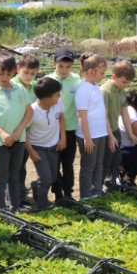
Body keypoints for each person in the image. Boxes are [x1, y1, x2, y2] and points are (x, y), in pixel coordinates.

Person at [0, 52, 33, 211]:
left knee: (15, 175)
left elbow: (29, 112)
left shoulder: (20, 89)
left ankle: (14, 207)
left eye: (9, 73)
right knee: (1, 176)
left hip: (19, 139)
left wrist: (19, 131)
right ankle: (1, 210)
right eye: (1, 73)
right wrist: (2, 134)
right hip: (1, 142)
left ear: (15, 71)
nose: (4, 76)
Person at [25, 77, 66, 209]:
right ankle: (42, 205)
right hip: (38, 148)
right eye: (57, 95)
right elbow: (23, 132)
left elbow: (60, 117)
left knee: (53, 177)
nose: (59, 97)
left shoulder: (57, 103)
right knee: (47, 179)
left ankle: (36, 187)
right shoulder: (32, 112)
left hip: (54, 147)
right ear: (47, 100)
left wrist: (63, 138)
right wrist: (31, 151)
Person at [46, 48, 81, 200]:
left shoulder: (76, 80)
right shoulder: (47, 81)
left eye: (68, 66)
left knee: (68, 163)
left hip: (70, 129)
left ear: (72, 65)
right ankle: (58, 192)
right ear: (54, 64)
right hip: (52, 130)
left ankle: (68, 193)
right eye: (61, 66)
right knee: (54, 163)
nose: (64, 70)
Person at [76, 53, 108, 199]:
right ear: (91, 72)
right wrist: (87, 138)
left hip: (100, 133)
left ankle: (97, 192)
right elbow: (82, 116)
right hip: (89, 136)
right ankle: (86, 196)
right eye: (101, 73)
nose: (103, 76)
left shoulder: (95, 86)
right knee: (88, 167)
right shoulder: (83, 90)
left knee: (99, 165)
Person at [100, 60, 137, 189]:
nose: (126, 85)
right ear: (114, 77)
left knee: (116, 159)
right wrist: (110, 136)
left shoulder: (122, 91)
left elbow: (125, 114)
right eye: (124, 82)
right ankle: (98, 187)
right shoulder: (105, 92)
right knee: (106, 160)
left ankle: (111, 183)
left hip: (115, 130)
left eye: (128, 83)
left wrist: (131, 133)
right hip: (104, 131)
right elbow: (103, 117)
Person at [12, 52, 40, 210]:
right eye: (26, 72)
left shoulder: (36, 87)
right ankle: (13, 200)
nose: (29, 76)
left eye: (33, 73)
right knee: (11, 169)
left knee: (21, 167)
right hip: (12, 133)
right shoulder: (11, 85)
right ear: (18, 69)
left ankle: (20, 198)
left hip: (27, 133)